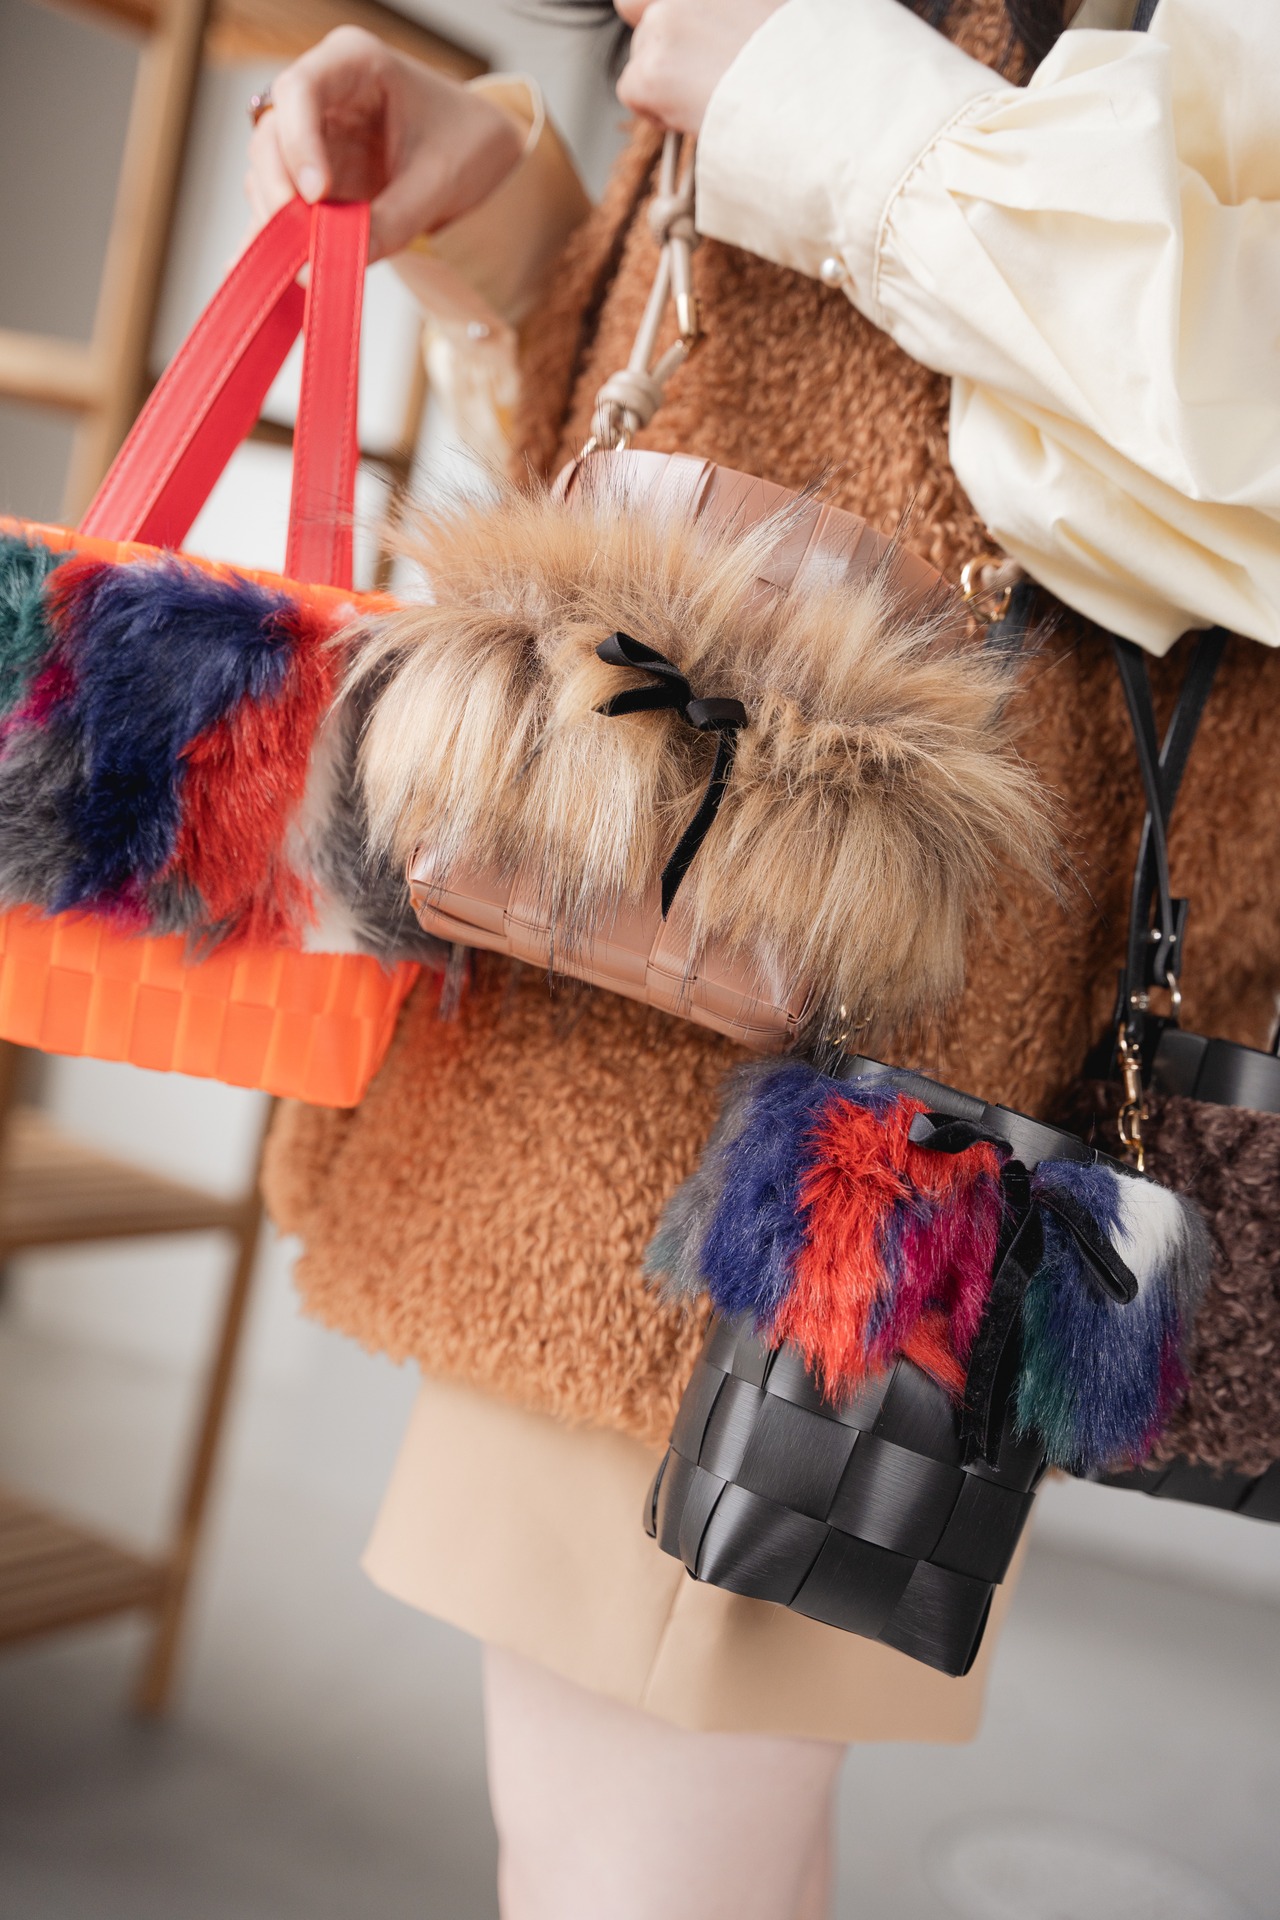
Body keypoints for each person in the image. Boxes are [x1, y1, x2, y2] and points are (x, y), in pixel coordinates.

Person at [250, 4, 1280, 1916]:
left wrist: (816, 99)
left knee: (633, 1855)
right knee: (658, 1845)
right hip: (624, 1031)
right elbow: (710, 407)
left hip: (869, 1101)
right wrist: (504, 209)